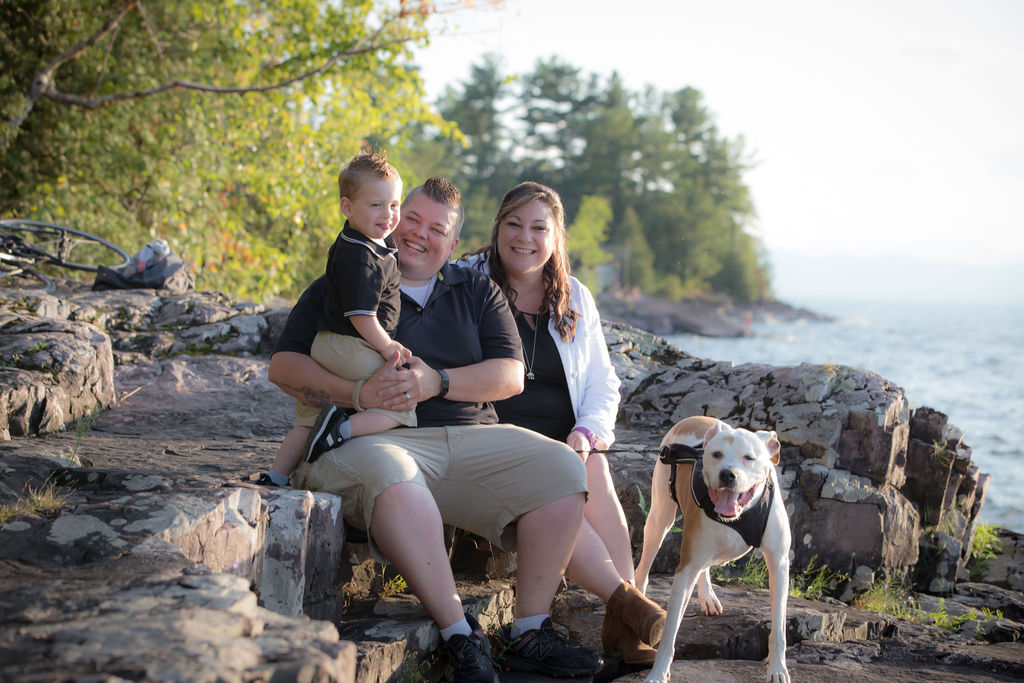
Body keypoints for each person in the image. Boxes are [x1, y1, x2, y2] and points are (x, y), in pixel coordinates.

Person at [268, 177, 603, 681]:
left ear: (453, 243)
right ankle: (460, 635)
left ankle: (529, 631)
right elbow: (283, 368)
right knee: (395, 478)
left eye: (437, 229)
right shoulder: (347, 281)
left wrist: (437, 382)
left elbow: (510, 375)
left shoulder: (476, 288)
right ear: (393, 220)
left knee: (561, 467)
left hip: (469, 438)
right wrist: (358, 394)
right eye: (412, 219)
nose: (419, 234)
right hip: (371, 440)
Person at [460, 181, 667, 665]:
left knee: (593, 468)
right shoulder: (467, 281)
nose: (524, 237)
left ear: (556, 238)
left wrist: (587, 431)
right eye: (514, 224)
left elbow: (603, 382)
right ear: (497, 228)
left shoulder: (574, 296)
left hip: (563, 442)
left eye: (539, 228)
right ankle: (628, 606)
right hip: (494, 440)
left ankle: (626, 623)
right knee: (558, 478)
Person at [256, 151, 414, 487]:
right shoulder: (362, 258)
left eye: (394, 205)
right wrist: (387, 346)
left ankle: (277, 477)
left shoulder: (362, 242)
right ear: (347, 207)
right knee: (400, 401)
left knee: (307, 421)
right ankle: (341, 429)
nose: (388, 214)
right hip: (350, 345)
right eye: (376, 205)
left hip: (330, 344)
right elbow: (361, 315)